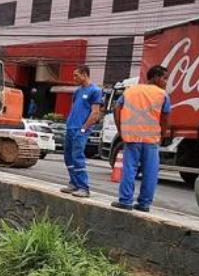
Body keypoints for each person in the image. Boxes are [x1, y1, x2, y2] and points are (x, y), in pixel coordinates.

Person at [111, 65, 171, 212]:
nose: (166, 81)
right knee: (150, 172)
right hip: (151, 139)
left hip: (131, 137)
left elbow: (116, 110)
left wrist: (121, 130)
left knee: (129, 169)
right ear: (155, 77)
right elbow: (164, 118)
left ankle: (125, 201)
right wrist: (162, 135)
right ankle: (144, 204)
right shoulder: (163, 95)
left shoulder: (130, 91)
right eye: (165, 78)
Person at [60, 65, 103, 198]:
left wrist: (84, 128)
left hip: (81, 129)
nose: (74, 78)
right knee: (68, 157)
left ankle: (84, 187)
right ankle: (74, 183)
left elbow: (95, 113)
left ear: (85, 74)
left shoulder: (95, 91)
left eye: (76, 75)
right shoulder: (78, 91)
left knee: (78, 157)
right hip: (71, 127)